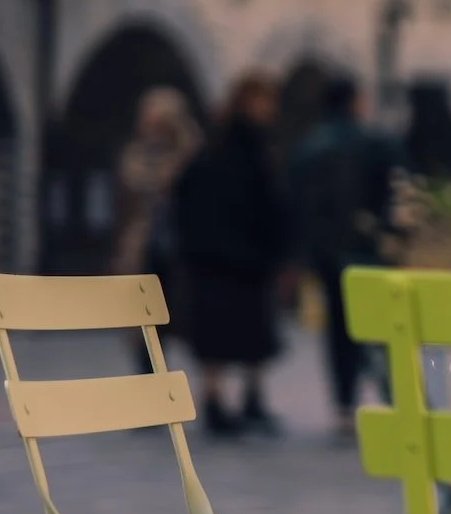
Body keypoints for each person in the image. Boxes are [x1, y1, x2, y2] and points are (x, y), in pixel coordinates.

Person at [174, 72, 289, 437]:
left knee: (239, 330)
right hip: (231, 257)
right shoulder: (243, 149)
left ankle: (242, 399)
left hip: (225, 257)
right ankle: (219, 400)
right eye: (264, 101)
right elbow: (269, 203)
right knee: (225, 332)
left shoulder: (221, 146)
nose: (270, 109)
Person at [288, 73, 398, 434]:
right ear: (354, 101)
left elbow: (294, 202)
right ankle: (391, 398)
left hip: (325, 253)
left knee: (337, 327)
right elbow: (397, 192)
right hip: (366, 250)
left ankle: (344, 404)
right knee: (378, 328)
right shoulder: (374, 142)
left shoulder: (308, 147)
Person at [110, 85, 200, 313]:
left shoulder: (187, 153)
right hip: (143, 246)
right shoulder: (136, 155)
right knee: (143, 311)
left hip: (181, 245)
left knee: (176, 308)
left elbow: (194, 170)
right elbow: (133, 184)